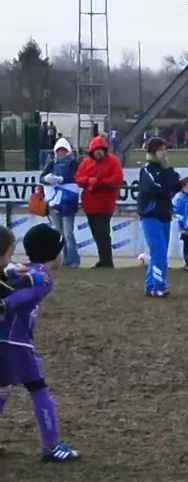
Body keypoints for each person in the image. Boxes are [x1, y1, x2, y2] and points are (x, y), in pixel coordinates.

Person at [0, 224, 80, 462]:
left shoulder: (18, 269)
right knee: (38, 389)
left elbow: (14, 277)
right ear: (55, 254)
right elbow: (29, 295)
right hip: (16, 343)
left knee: (2, 389)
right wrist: (7, 305)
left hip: (5, 339)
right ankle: (52, 446)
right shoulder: (42, 275)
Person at [137, 137, 182, 298]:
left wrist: (168, 171)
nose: (165, 153)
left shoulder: (165, 169)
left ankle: (151, 285)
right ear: (153, 151)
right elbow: (155, 188)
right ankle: (158, 285)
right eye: (162, 149)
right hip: (151, 216)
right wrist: (168, 186)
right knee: (159, 253)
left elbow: (176, 184)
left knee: (160, 252)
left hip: (164, 215)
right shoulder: (147, 170)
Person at [74, 135, 124, 269]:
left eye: (100, 150)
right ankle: (104, 260)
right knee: (96, 233)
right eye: (96, 150)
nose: (98, 152)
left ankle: (107, 261)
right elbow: (78, 178)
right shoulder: (86, 162)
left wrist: (100, 183)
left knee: (103, 233)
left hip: (105, 204)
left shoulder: (113, 161)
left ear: (104, 149)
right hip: (90, 205)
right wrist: (88, 181)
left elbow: (117, 178)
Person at [41, 137, 81, 267]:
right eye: (59, 151)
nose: (61, 153)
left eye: (63, 150)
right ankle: (62, 260)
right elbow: (42, 177)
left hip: (68, 202)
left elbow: (78, 176)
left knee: (68, 233)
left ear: (68, 151)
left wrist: (61, 179)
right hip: (55, 202)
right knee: (58, 233)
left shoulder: (73, 163)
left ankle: (73, 259)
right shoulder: (52, 163)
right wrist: (48, 179)